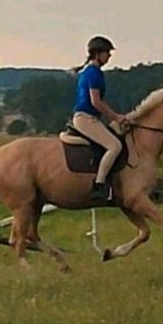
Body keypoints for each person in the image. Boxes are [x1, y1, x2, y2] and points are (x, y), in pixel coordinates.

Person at [71, 35, 128, 201]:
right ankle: (99, 185)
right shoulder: (94, 73)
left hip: (91, 118)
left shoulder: (92, 72)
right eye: (107, 53)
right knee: (114, 146)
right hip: (86, 118)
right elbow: (96, 102)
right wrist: (115, 116)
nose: (109, 56)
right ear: (97, 54)